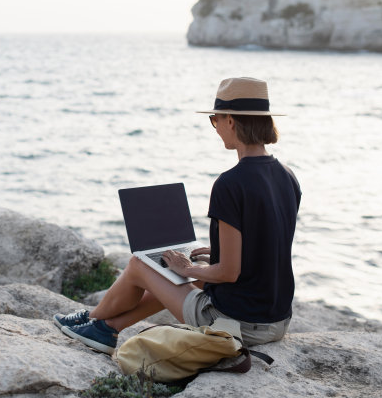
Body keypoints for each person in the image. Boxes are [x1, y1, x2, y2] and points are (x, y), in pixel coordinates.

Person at [53, 77, 301, 355]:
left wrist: (188, 269)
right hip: (277, 319)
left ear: (230, 121)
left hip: (239, 324)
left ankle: (92, 319)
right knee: (175, 271)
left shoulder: (230, 183)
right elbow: (268, 242)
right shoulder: (287, 175)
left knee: (140, 264)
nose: (215, 126)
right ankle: (106, 327)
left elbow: (229, 272)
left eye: (214, 119)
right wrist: (214, 253)